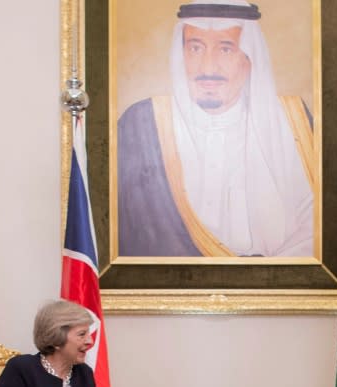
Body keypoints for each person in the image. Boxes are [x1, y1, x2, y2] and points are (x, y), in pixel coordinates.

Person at [117, 0, 315, 257]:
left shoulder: (291, 124)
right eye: (196, 49)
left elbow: (315, 227)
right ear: (181, 56)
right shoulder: (142, 125)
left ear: (249, 58)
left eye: (225, 49)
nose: (208, 68)